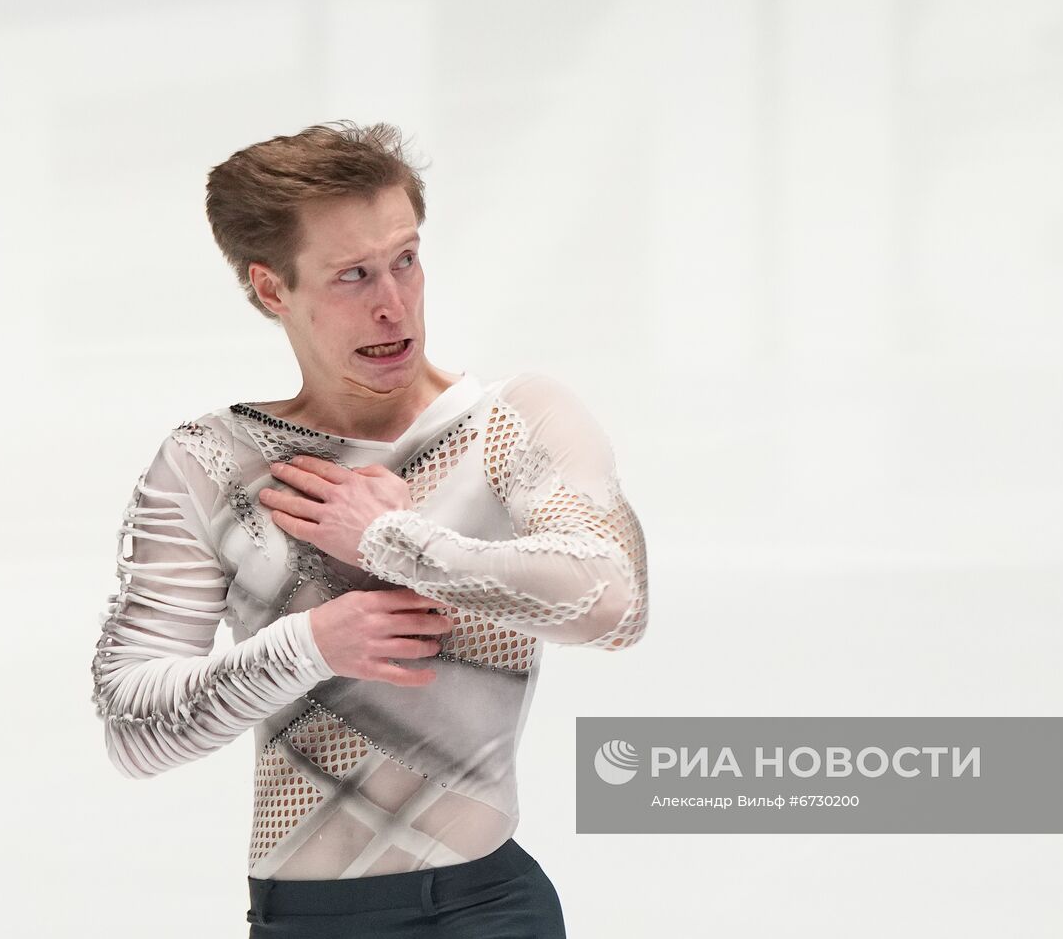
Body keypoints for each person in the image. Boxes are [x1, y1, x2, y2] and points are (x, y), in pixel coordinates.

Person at [88, 119, 650, 938]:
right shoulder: (213, 461)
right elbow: (133, 731)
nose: (393, 304)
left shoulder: (512, 423)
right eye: (353, 274)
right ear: (273, 289)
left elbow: (614, 605)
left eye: (405, 260)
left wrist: (396, 541)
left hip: (485, 910)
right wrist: (310, 644)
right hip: (301, 918)